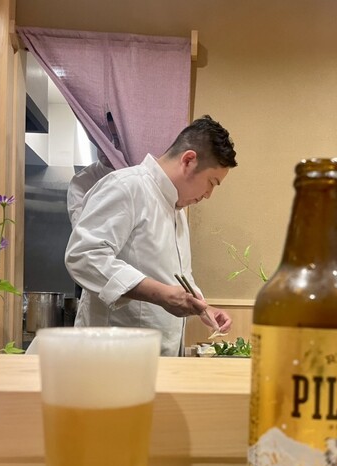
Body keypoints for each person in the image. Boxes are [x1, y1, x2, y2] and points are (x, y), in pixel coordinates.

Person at [65, 115, 237, 356]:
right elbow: (84, 256)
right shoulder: (127, 186)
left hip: (159, 356)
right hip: (114, 356)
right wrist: (161, 294)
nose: (208, 194)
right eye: (211, 182)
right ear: (188, 160)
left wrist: (204, 309)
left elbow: (177, 277)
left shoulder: (176, 210)